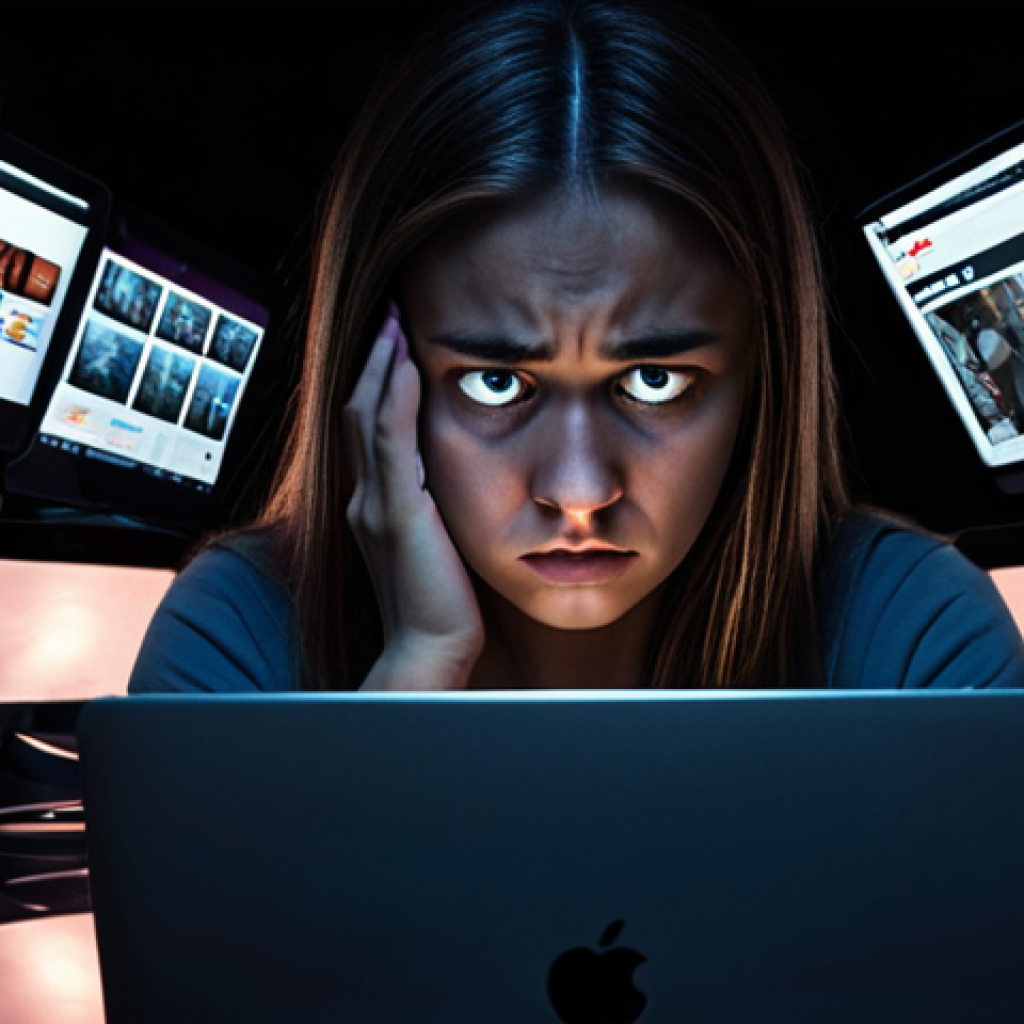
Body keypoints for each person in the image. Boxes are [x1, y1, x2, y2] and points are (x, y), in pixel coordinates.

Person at [129, 0, 1024, 695]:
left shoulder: (918, 643)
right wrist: (416, 672)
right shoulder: (234, 642)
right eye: (492, 381)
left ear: (763, 373)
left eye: (655, 378)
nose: (580, 491)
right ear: (377, 383)